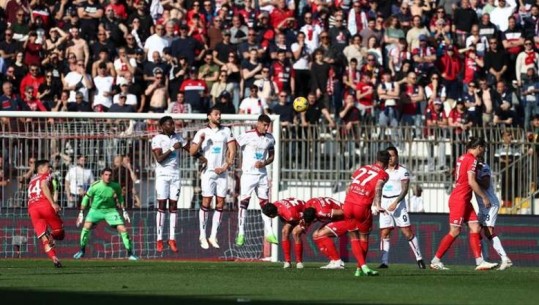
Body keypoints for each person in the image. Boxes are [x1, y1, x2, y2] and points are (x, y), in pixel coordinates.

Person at [430, 137, 498, 270]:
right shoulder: (471, 160)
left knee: (475, 227)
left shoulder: (462, 158)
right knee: (455, 231)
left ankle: (480, 262)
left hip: (464, 199)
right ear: (479, 147)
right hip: (459, 199)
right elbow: (471, 181)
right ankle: (435, 260)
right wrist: (484, 197)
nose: (483, 152)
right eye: (483, 148)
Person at [151, 116, 203, 252]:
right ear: (162, 127)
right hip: (163, 175)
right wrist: (173, 149)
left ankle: (172, 239)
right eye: (169, 125)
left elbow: (190, 150)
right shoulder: (157, 139)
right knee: (162, 205)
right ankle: (159, 239)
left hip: (175, 175)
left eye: (173, 124)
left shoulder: (178, 137)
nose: (173, 126)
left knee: (174, 205)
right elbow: (159, 159)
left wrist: (204, 159)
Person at [190, 107, 236, 249]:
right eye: (216, 114)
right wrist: (200, 142)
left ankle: (213, 235)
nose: (219, 116)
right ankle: (202, 235)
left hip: (221, 172)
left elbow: (232, 151)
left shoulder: (226, 131)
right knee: (206, 201)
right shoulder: (201, 132)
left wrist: (225, 167)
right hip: (208, 172)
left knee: (221, 202)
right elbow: (192, 151)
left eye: (220, 113)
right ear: (209, 116)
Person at [73, 168, 137, 260]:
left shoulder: (116, 186)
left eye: (110, 175)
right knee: (86, 227)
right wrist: (81, 212)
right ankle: (82, 250)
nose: (108, 177)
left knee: (123, 229)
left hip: (110, 210)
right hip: (95, 210)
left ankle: (130, 254)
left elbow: (120, 197)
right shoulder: (95, 186)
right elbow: (86, 198)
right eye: (106, 175)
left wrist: (124, 210)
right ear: (102, 176)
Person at [378, 146, 425, 269]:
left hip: (398, 203)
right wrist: (376, 203)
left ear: (397, 156)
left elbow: (405, 190)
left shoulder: (402, 171)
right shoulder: (382, 171)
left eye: (392, 156)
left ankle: (419, 258)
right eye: (388, 156)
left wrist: (396, 202)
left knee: (407, 232)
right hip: (384, 202)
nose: (390, 158)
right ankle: (384, 262)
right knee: (384, 232)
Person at [346, 150, 391, 277]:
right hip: (362, 206)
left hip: (348, 204)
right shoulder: (383, 174)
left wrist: (349, 199)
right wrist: (377, 204)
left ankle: (359, 270)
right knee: (364, 237)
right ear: (387, 162)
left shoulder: (362, 168)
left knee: (353, 237)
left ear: (376, 159)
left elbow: (349, 186)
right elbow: (378, 187)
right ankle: (362, 267)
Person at [235, 114, 277, 246]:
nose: (266, 128)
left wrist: (263, 163)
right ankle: (241, 233)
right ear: (258, 123)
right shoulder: (247, 135)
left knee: (265, 204)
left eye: (268, 125)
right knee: (244, 203)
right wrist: (231, 161)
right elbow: (232, 147)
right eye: (264, 125)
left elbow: (272, 157)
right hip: (248, 174)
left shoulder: (270, 138)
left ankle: (269, 233)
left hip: (262, 175)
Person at [476, 158, 513, 270]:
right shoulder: (472, 168)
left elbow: (486, 184)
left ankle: (505, 258)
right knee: (476, 229)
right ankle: (484, 260)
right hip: (482, 206)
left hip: (490, 204)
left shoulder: (484, 167)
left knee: (488, 231)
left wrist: (473, 179)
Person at [27, 160, 64, 268]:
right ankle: (51, 236)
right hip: (44, 205)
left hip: (32, 208)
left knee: (43, 237)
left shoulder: (32, 180)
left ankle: (54, 258)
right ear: (41, 169)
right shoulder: (46, 175)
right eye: (48, 167)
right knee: (60, 233)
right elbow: (43, 186)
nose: (50, 169)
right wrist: (53, 203)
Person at [261, 197, 307, 269]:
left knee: (295, 233)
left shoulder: (290, 215)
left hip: (304, 214)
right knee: (284, 231)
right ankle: (287, 261)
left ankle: (299, 262)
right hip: (293, 213)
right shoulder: (275, 205)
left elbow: (304, 216)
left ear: (271, 215)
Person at [303, 197, 346, 269]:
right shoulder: (309, 204)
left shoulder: (323, 212)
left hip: (347, 219)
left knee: (321, 234)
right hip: (336, 219)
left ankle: (338, 261)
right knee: (315, 235)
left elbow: (343, 212)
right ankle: (333, 261)